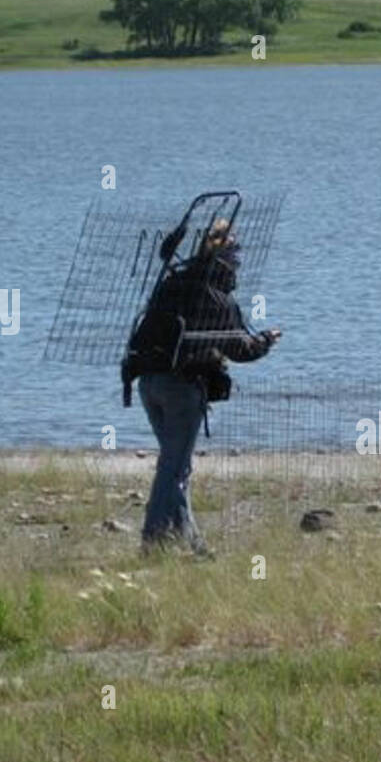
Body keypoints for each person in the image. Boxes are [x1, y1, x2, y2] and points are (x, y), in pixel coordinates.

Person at [122, 218, 281, 557]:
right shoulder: (218, 299)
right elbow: (242, 351)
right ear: (223, 258)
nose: (237, 262)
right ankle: (153, 542)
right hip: (182, 389)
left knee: (174, 466)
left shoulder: (172, 282)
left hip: (148, 383)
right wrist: (266, 340)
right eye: (234, 254)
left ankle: (191, 543)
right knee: (174, 468)